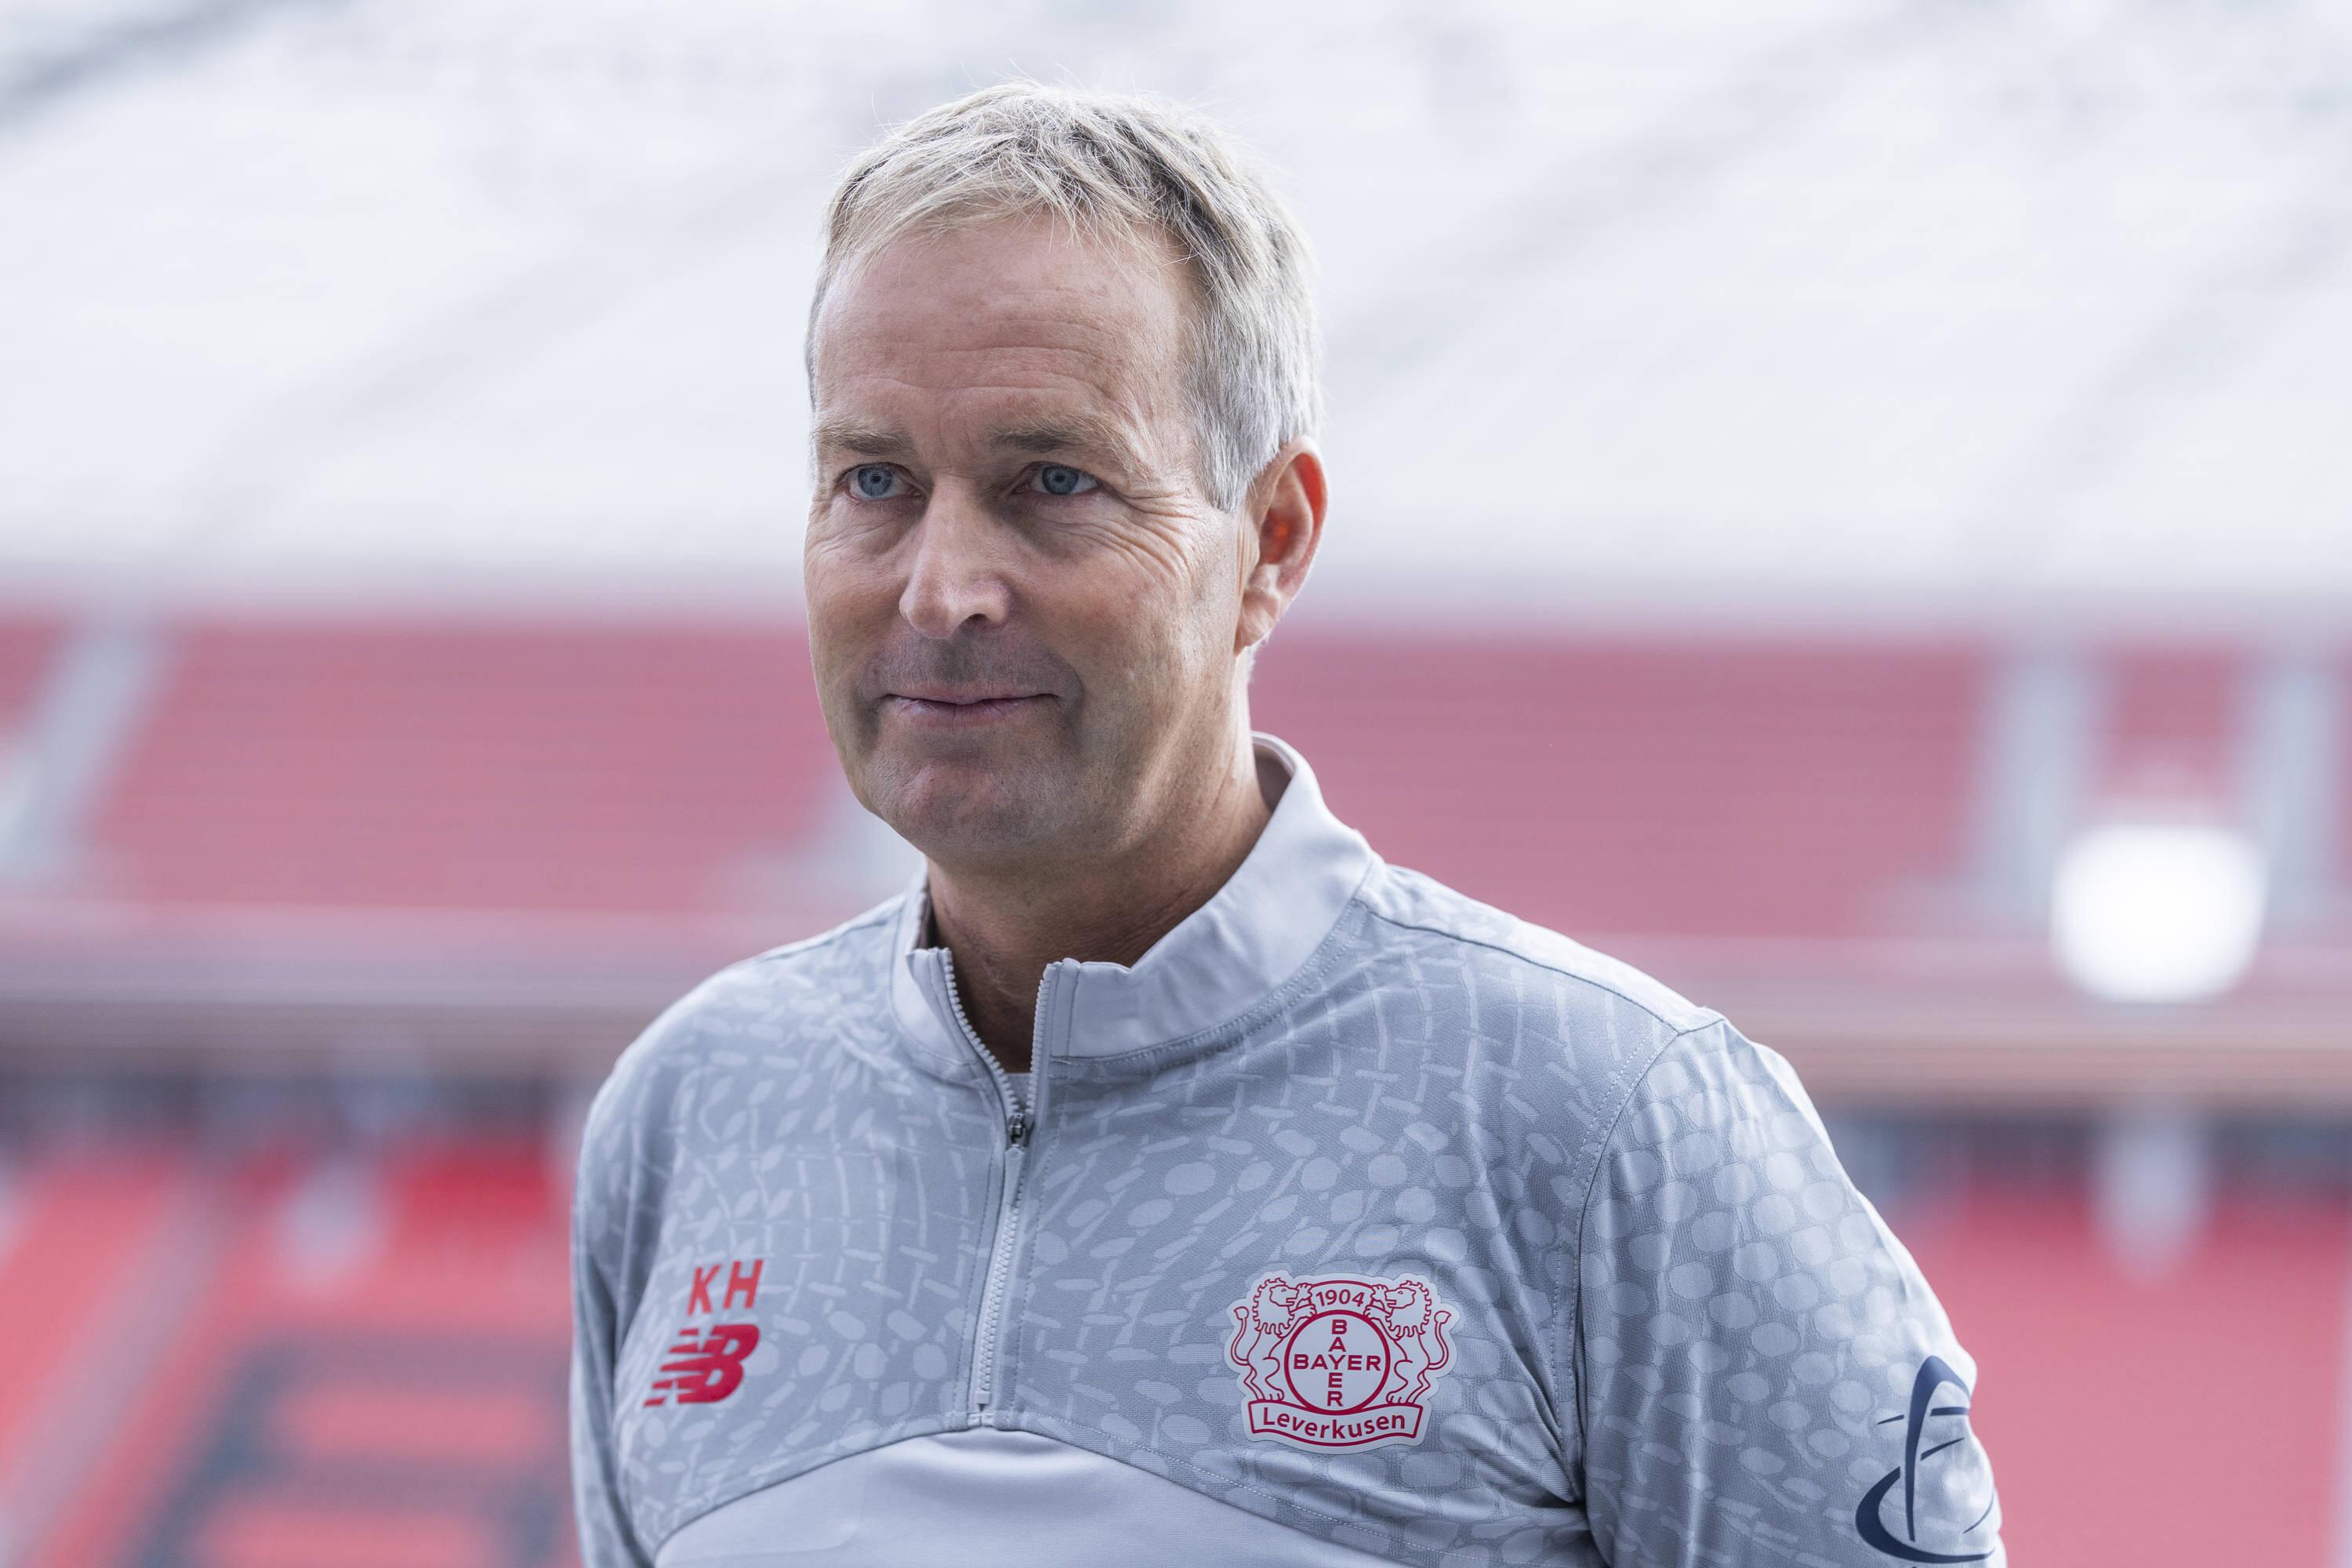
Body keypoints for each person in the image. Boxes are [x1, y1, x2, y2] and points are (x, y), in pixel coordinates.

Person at [569, 82, 2002, 1568]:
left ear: (1273, 539)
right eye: (874, 481)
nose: (941, 588)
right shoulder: (692, 1112)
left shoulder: (1611, 1127)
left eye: (1052, 483)